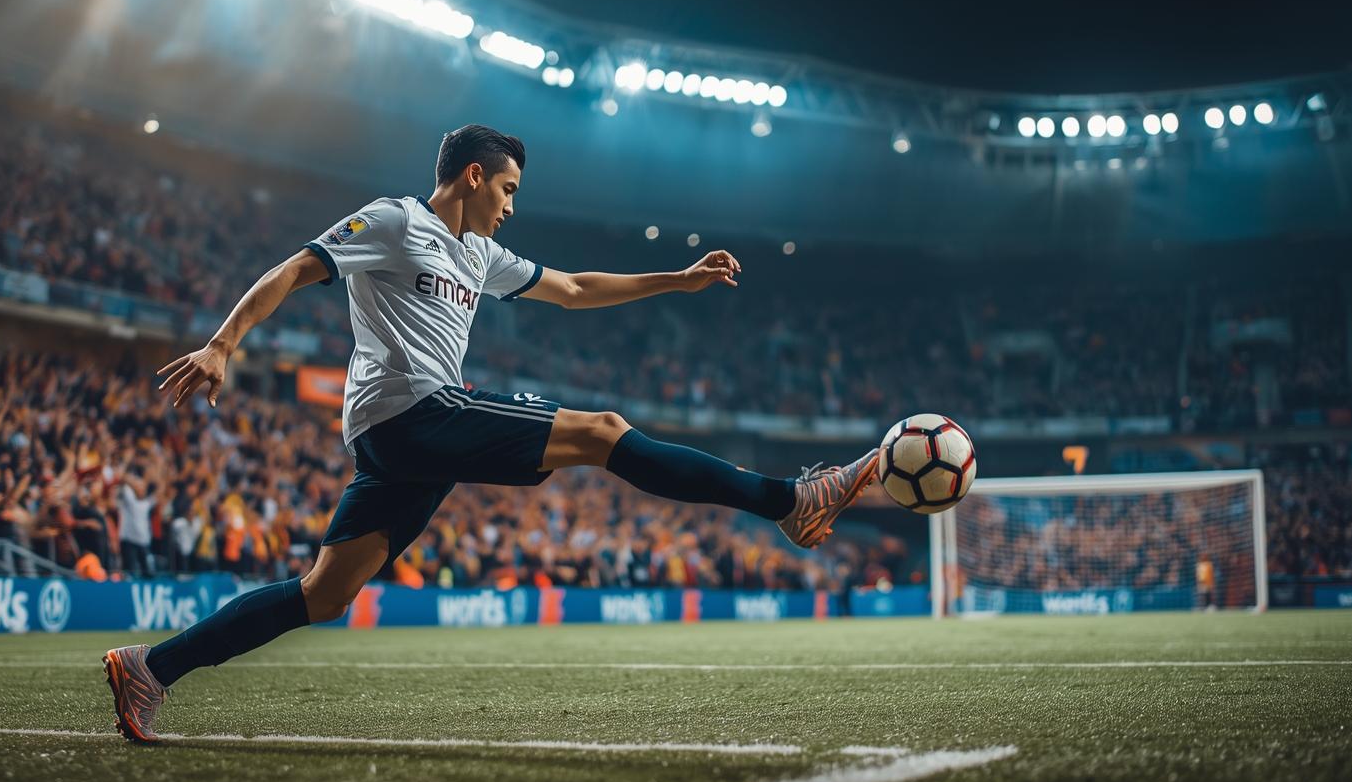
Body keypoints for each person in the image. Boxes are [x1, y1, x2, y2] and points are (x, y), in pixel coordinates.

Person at [102, 125, 879, 743]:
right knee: (602, 429)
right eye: (507, 188)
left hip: (405, 442)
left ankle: (150, 668)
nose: (511, 204)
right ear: (473, 176)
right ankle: (788, 500)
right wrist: (224, 343)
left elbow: (573, 289)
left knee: (326, 593)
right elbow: (294, 269)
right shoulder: (394, 221)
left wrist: (676, 280)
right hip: (412, 414)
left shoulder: (480, 252)